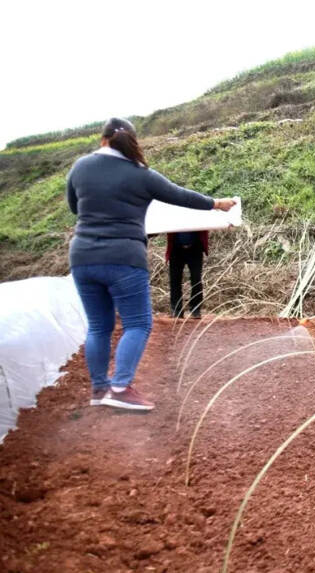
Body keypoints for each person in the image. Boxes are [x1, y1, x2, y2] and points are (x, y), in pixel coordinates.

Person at [66, 118, 236, 411]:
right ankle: (120, 388)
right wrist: (217, 203)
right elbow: (180, 196)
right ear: (132, 141)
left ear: (103, 139)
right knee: (138, 323)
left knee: (98, 327)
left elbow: (74, 206)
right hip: (123, 258)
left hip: (82, 257)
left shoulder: (80, 166)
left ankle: (99, 389)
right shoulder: (140, 173)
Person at [166, 231, 209, 318]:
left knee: (196, 279)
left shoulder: (199, 216)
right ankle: (176, 310)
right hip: (176, 248)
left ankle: (195, 309)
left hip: (195, 248)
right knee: (175, 280)